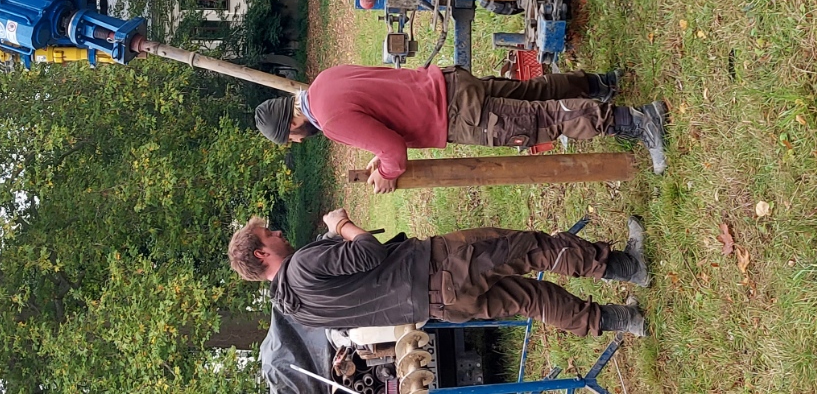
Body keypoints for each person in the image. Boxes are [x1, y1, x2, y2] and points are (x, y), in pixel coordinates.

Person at [228, 209, 651, 338]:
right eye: (270, 234)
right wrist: (340, 225)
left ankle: (625, 321)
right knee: (532, 249)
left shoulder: (299, 312)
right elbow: (369, 252)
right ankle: (628, 268)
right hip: (441, 266)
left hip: (440, 307)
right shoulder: (301, 267)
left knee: (531, 300)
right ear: (262, 253)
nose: (280, 231)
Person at [253, 66, 669, 192]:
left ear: (291, 123)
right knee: (532, 94)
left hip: (453, 116)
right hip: (448, 83)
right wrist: (379, 152)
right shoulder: (324, 81)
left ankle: (637, 121)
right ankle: (600, 82)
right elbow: (383, 106)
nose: (296, 139)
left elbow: (394, 150)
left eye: (289, 136)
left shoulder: (329, 121)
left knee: (539, 121)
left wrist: (386, 173)